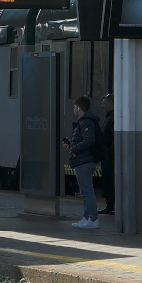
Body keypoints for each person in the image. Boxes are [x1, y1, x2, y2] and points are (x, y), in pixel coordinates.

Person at [62, 95, 101, 229]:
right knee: (85, 192)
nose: (73, 109)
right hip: (83, 161)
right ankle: (87, 217)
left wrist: (74, 148)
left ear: (79, 108)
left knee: (87, 191)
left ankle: (93, 219)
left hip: (84, 162)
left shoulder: (85, 122)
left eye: (74, 107)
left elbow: (89, 140)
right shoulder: (85, 121)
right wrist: (71, 145)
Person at [98, 94, 115, 216]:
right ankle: (109, 205)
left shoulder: (113, 118)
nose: (102, 106)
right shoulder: (108, 117)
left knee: (111, 181)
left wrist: (109, 153)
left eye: (104, 103)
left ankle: (112, 206)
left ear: (111, 103)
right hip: (105, 155)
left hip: (110, 156)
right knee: (107, 181)